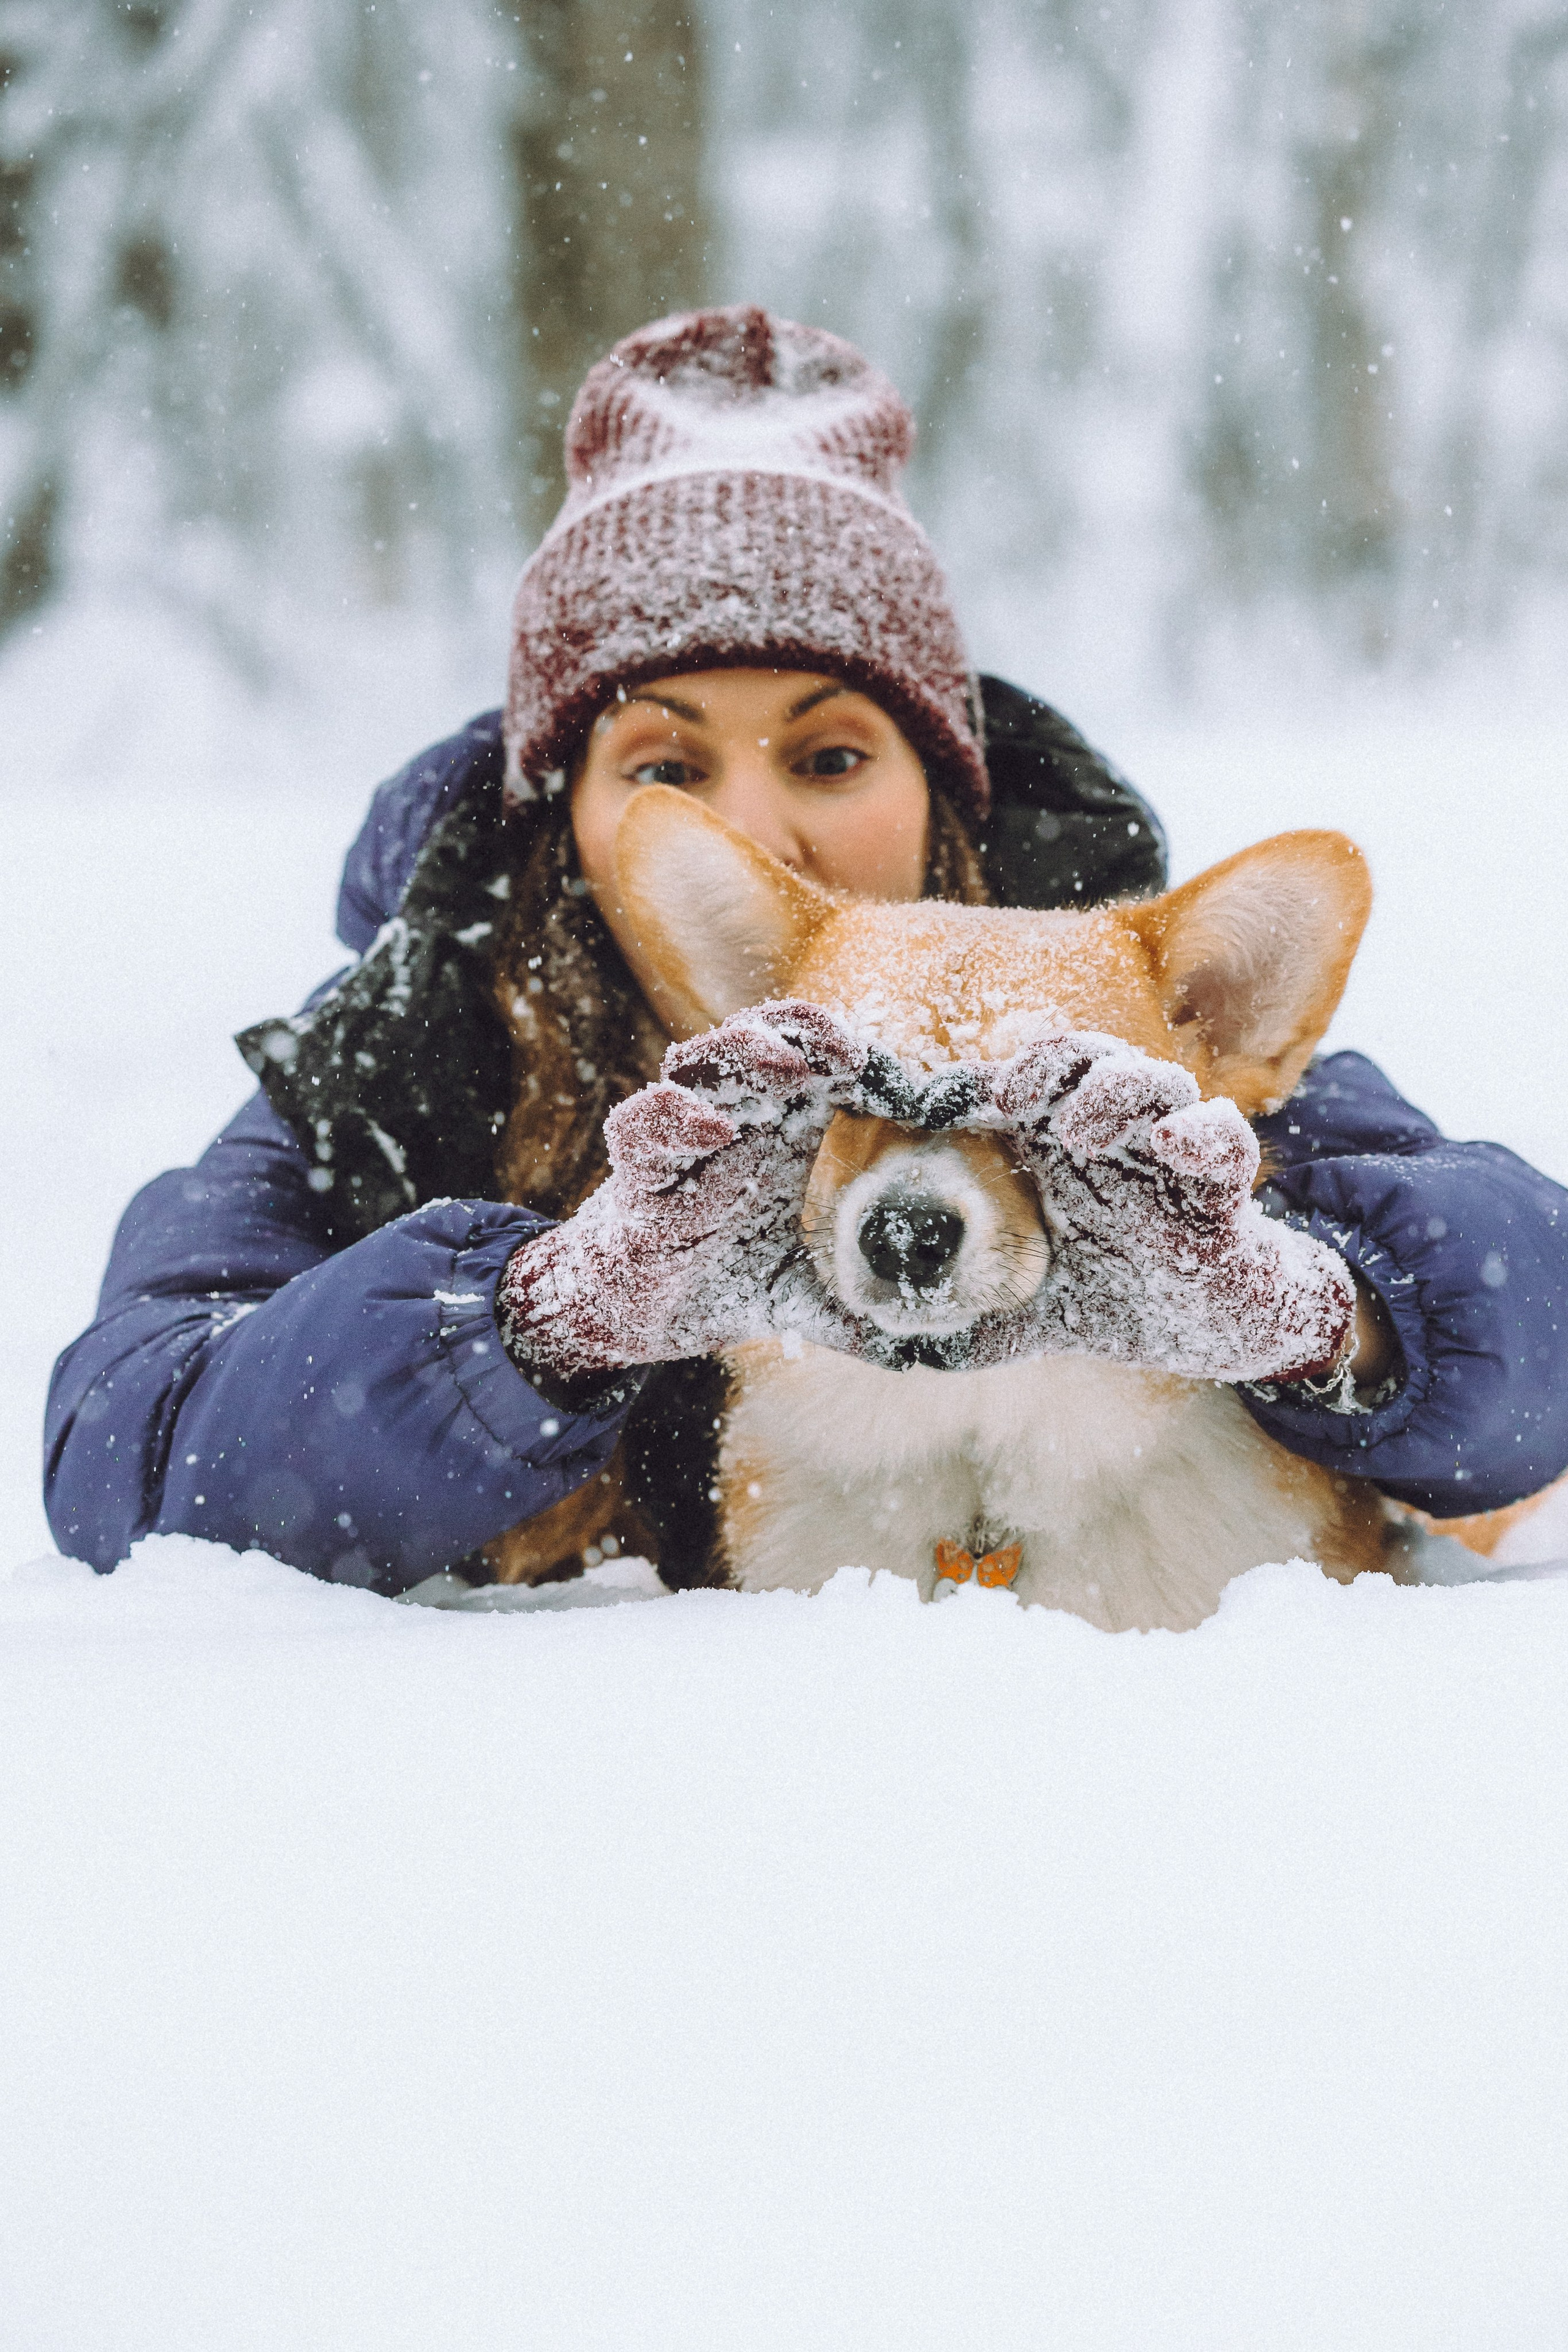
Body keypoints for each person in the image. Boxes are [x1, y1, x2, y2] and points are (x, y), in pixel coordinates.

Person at [44, 306, 1568, 1594]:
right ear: (559, 803)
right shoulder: (395, 1063)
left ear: (936, 779)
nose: (754, 829)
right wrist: (537, 1327)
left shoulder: (1127, 1017)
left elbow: (1534, 1324)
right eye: (664, 764)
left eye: (830, 757)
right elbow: (122, 1459)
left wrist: (1324, 1314)